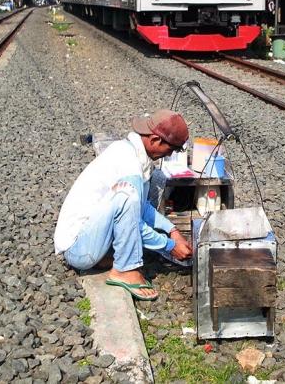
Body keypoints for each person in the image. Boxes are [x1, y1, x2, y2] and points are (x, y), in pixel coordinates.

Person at [53, 109, 193, 301]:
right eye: (170, 150)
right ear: (155, 141)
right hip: (78, 249)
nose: (167, 156)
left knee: (132, 196)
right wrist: (169, 246)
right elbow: (133, 222)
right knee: (127, 193)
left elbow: (141, 207)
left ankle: (108, 258)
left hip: (89, 238)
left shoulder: (131, 152)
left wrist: (172, 230)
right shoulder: (128, 165)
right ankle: (125, 271)